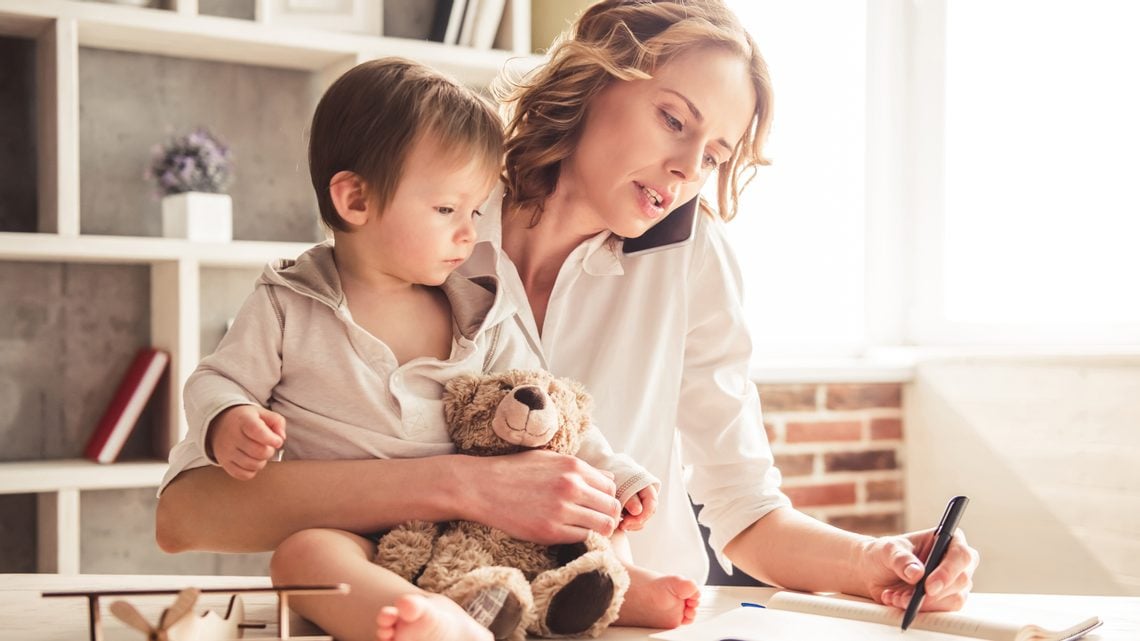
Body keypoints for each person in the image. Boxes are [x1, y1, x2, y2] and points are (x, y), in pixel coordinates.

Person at [158, 0, 978, 633]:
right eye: (675, 119)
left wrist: (872, 560)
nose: (690, 170)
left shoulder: (693, 261)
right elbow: (190, 511)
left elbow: (747, 509)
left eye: (717, 154)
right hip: (433, 610)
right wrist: (471, 487)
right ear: (596, 76)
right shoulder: (433, 213)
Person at [158, 57, 672, 641]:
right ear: (355, 201)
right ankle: (428, 618)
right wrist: (229, 417)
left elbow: (551, 408)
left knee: (580, 506)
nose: (469, 232)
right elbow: (215, 380)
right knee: (299, 560)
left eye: (475, 211)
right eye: (446, 210)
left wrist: (619, 474)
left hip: (475, 533)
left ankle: (619, 585)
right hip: (354, 533)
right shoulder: (287, 303)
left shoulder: (481, 304)